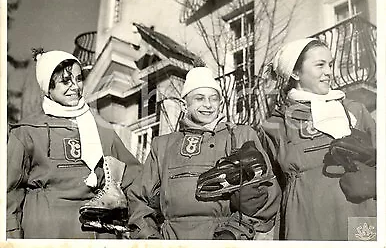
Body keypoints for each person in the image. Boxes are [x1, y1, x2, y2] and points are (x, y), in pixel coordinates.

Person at [125, 66, 281, 240]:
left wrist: (234, 233)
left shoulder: (240, 136)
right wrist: (150, 238)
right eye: (199, 98)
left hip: (225, 240)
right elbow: (139, 199)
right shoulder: (162, 146)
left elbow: (267, 193)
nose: (208, 105)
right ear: (185, 104)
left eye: (213, 99)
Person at [7, 50, 142, 239]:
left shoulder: (101, 128)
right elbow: (9, 193)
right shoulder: (28, 131)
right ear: (48, 87)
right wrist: (11, 237)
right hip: (47, 231)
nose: (75, 87)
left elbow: (135, 179)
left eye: (79, 79)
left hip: (97, 232)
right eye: (65, 81)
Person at [263, 38, 376, 240]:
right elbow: (271, 187)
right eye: (320, 65)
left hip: (359, 218)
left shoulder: (354, 110)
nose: (329, 72)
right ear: (296, 73)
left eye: (330, 64)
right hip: (306, 223)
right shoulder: (276, 125)